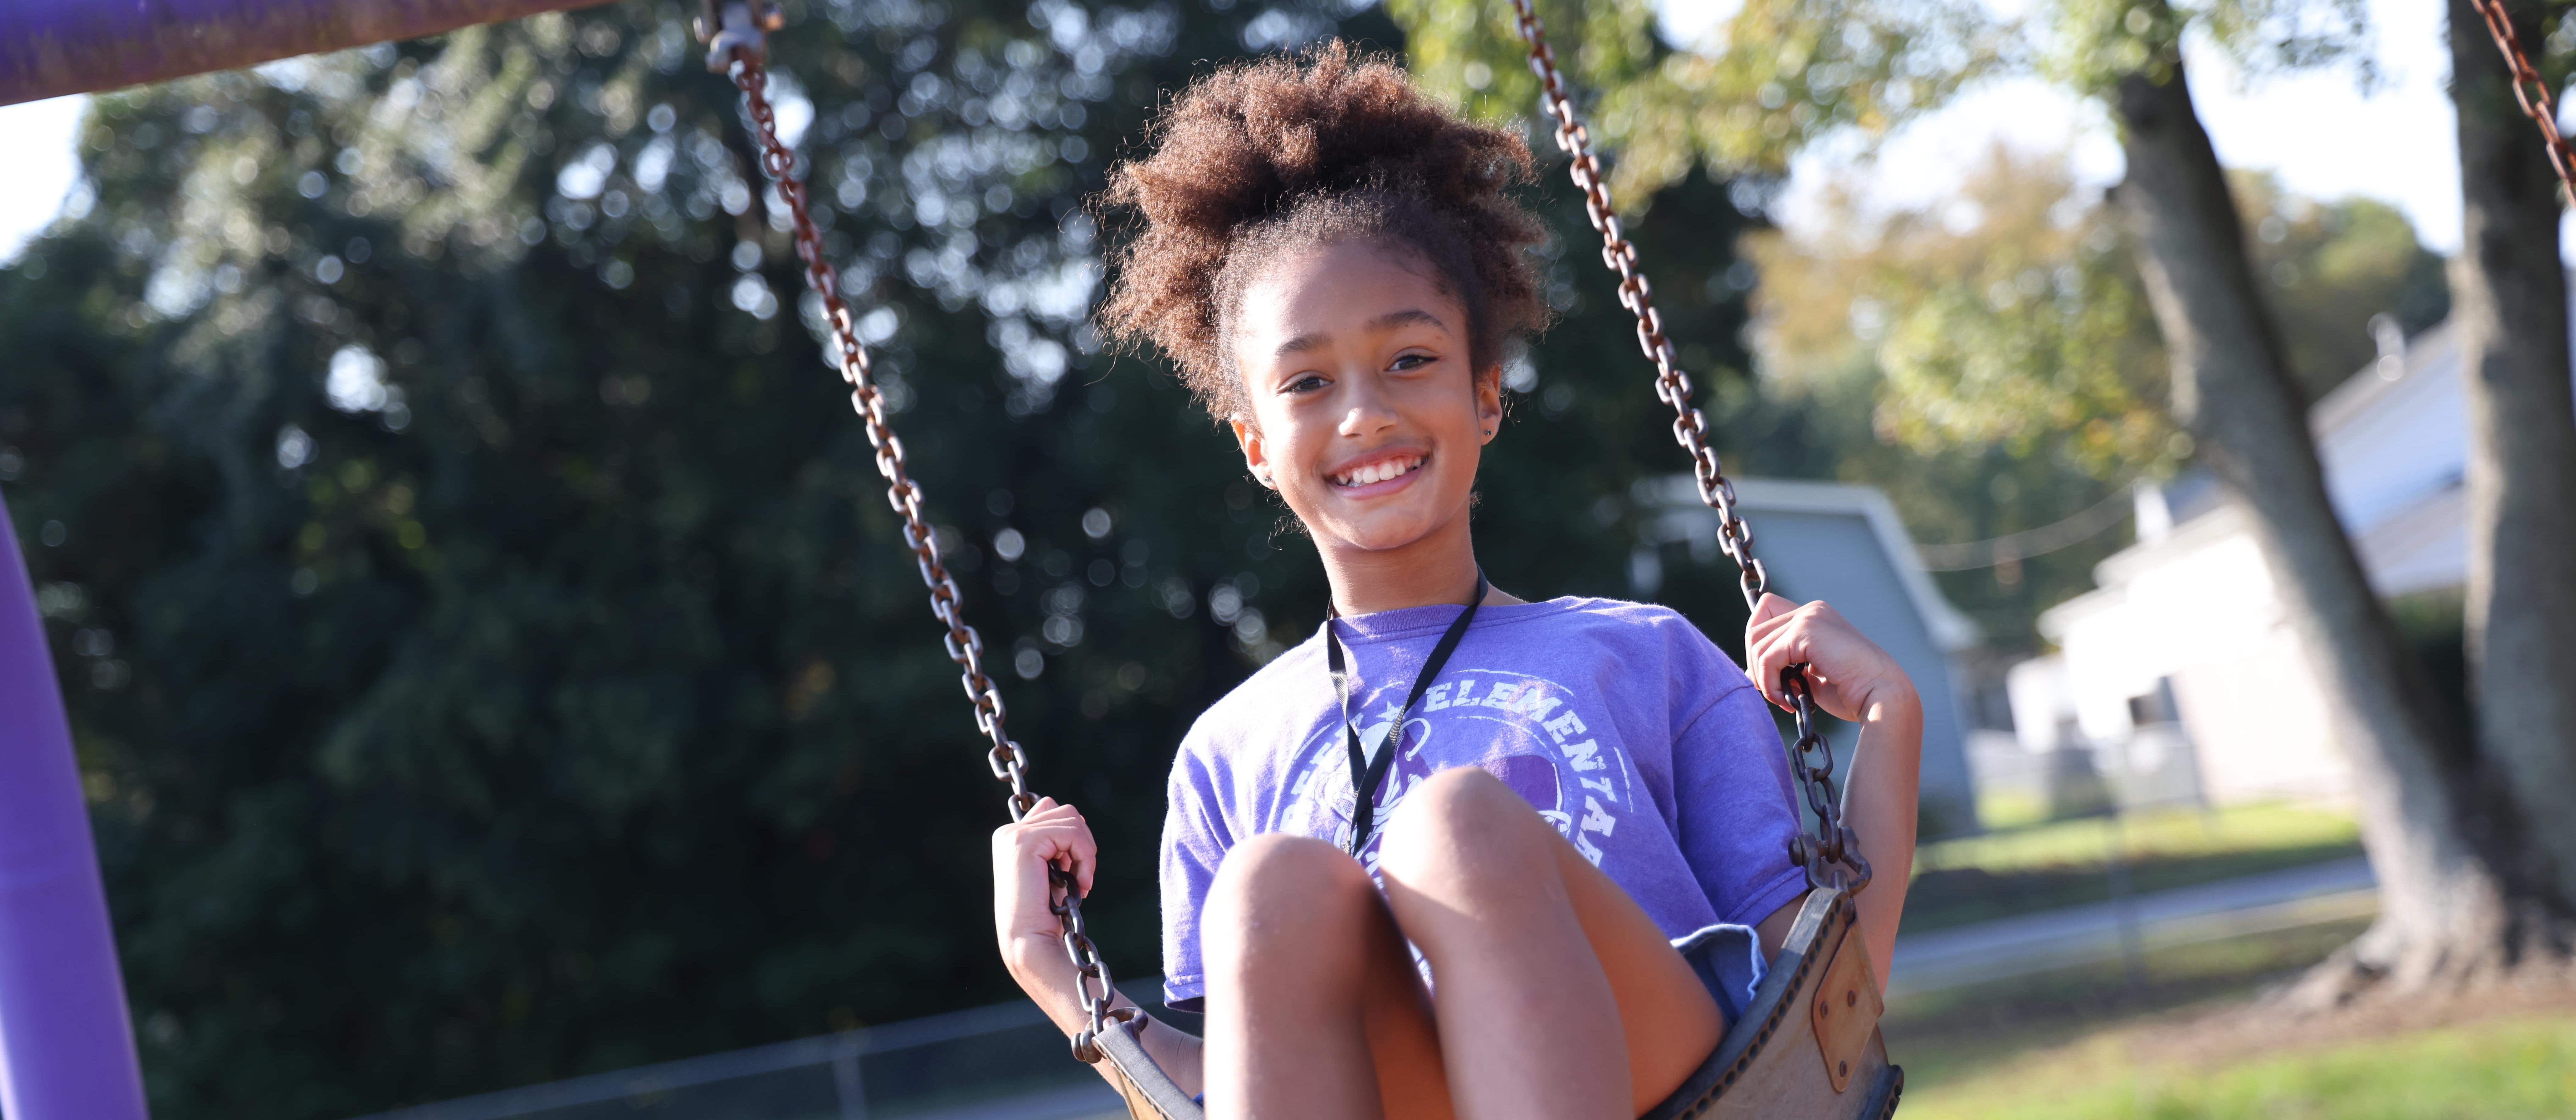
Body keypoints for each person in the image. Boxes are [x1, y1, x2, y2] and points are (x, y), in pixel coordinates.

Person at [992, 43, 1922, 1120]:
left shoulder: (1644, 655)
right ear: (1253, 441)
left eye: (1411, 359)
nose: (1364, 414)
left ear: (1487, 394)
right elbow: (1234, 1089)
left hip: (1679, 1080)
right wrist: (1052, 971)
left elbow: (1822, 1008)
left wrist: (1890, 719)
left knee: (1458, 828)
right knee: (1267, 887)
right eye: (1306, 381)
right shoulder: (1226, 756)